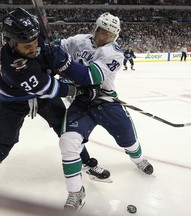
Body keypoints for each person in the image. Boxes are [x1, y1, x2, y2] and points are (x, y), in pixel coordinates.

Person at [0, 8, 109, 216]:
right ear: (11, 42)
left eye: (34, 42)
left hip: (43, 98)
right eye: (27, 46)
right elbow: (48, 87)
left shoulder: (35, 36)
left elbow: (60, 63)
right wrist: (77, 89)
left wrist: (60, 57)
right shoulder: (14, 64)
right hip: (14, 102)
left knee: (68, 131)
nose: (33, 47)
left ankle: (87, 162)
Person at [50, 12, 154, 212]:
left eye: (110, 34)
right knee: (68, 142)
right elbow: (57, 46)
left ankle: (139, 160)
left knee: (129, 140)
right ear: (96, 28)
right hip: (81, 102)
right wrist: (50, 47)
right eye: (103, 32)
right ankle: (75, 192)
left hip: (106, 102)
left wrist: (62, 64)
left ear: (115, 37)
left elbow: (91, 76)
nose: (105, 37)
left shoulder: (113, 53)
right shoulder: (79, 41)